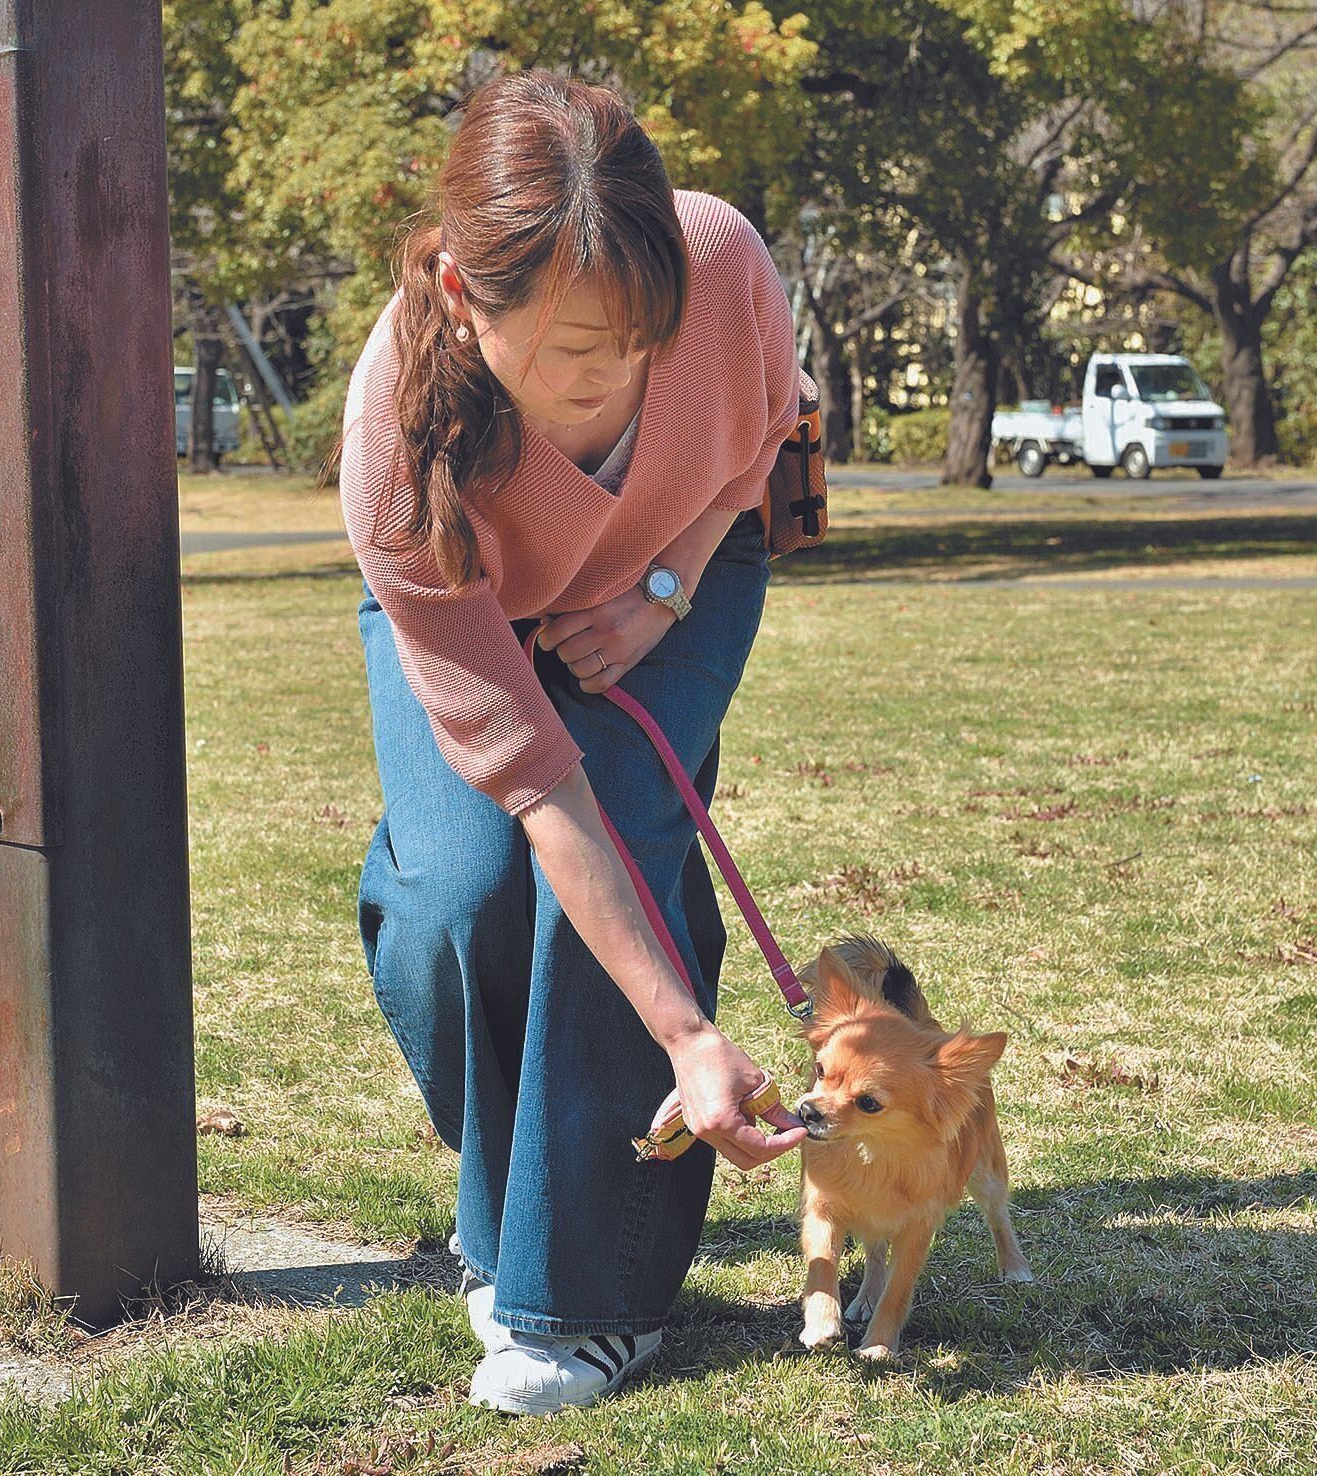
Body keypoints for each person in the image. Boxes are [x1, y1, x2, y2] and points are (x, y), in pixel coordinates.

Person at [339, 67, 808, 1415]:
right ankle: (511, 1212)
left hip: (680, 576)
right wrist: (690, 1029)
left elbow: (759, 442)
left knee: (624, 838)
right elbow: (540, 792)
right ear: (458, 299)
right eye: (562, 353)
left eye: (631, 349)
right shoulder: (396, 436)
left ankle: (582, 1301)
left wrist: (661, 595)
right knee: (460, 890)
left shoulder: (719, 262)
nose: (604, 387)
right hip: (475, 596)